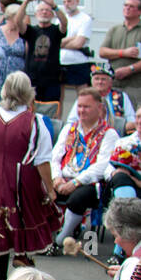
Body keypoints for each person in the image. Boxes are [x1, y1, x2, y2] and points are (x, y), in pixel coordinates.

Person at [0, 71, 56, 280]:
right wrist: (50, 189)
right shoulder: (35, 122)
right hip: (22, 179)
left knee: (0, 228)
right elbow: (42, 160)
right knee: (23, 223)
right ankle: (21, 279)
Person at [48, 87, 118, 247]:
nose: (82, 110)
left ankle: (62, 238)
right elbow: (55, 156)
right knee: (40, 190)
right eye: (79, 106)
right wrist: (56, 177)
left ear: (99, 108)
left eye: (86, 107)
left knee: (78, 198)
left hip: (90, 183)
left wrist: (75, 182)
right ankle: (46, 236)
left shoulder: (109, 134)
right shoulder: (69, 128)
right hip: (63, 178)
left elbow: (102, 166)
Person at [14, 0, 68, 108]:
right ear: (36, 13)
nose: (44, 12)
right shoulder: (31, 30)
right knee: (29, 110)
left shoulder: (56, 31)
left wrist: (54, 5)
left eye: (47, 10)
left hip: (51, 80)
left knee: (51, 111)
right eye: (41, 10)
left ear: (52, 15)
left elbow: (64, 23)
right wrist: (26, 2)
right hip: (32, 79)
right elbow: (18, 21)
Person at [100, 0, 141, 107]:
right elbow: (102, 52)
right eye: (125, 5)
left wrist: (130, 69)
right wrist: (123, 53)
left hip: (136, 86)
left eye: (131, 6)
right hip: (114, 84)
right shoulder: (115, 29)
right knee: (114, 115)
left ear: (139, 11)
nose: (127, 8)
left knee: (133, 117)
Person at [0, 3, 26, 99]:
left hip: (16, 77)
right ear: (9, 17)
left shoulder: (24, 34)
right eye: (18, 17)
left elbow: (27, 57)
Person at [60, 0, 93, 95]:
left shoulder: (85, 19)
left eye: (69, 1)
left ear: (77, 2)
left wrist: (62, 42)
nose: (66, 4)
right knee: (58, 96)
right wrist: (72, 38)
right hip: (60, 62)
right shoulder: (60, 19)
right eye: (64, 2)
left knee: (83, 94)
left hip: (79, 62)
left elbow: (78, 44)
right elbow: (55, 42)